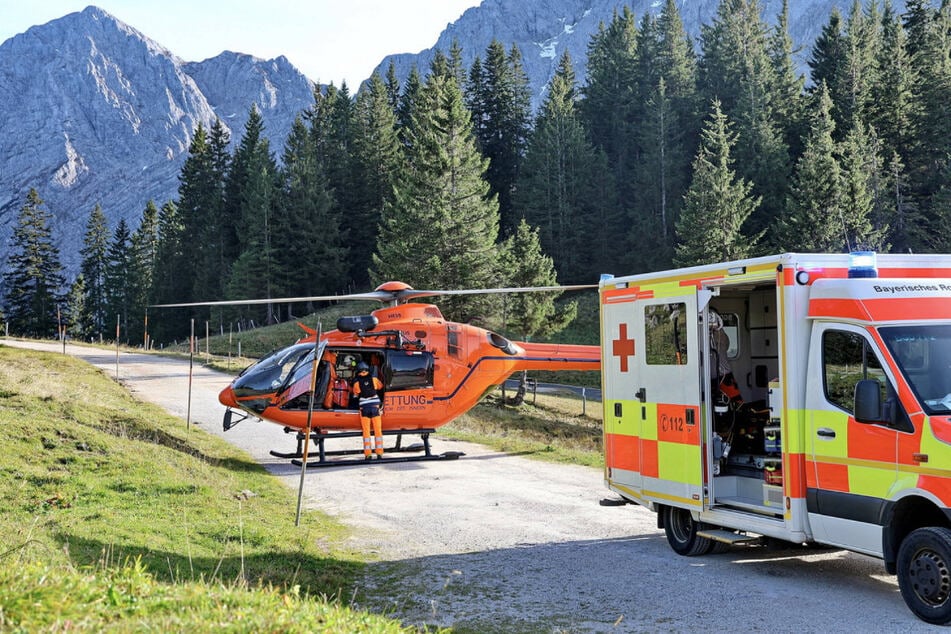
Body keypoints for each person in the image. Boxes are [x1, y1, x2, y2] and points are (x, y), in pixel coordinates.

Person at [352, 361, 384, 459]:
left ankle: (368, 454)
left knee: (366, 431)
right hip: (375, 408)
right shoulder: (374, 379)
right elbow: (381, 386)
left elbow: (355, 394)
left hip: (364, 409)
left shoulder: (357, 383)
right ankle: (379, 453)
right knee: (378, 431)